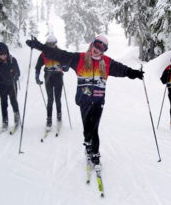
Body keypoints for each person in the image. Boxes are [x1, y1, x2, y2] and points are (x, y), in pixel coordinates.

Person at [26, 35, 143, 166]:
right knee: (87, 127)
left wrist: (135, 73)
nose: (98, 49)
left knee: (94, 128)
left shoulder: (107, 62)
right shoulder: (79, 59)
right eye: (97, 45)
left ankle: (95, 153)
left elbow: (123, 70)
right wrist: (40, 46)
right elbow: (58, 54)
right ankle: (88, 144)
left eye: (102, 48)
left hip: (98, 101)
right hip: (84, 100)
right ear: (92, 44)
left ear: (104, 50)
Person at [35, 34, 68, 131]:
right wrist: (37, 76)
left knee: (58, 98)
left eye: (53, 44)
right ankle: (49, 119)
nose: (52, 46)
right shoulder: (44, 54)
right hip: (48, 77)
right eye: (50, 44)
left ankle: (59, 115)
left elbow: (66, 65)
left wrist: (65, 67)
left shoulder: (60, 53)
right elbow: (38, 66)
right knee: (50, 99)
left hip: (58, 76)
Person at [0, 42, 20, 130]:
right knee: (3, 104)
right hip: (1, 86)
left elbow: (18, 72)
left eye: (4, 54)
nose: (3, 56)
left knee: (13, 102)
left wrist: (15, 76)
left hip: (12, 85)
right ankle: (5, 121)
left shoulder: (12, 60)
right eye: (0, 54)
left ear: (7, 52)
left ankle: (17, 118)